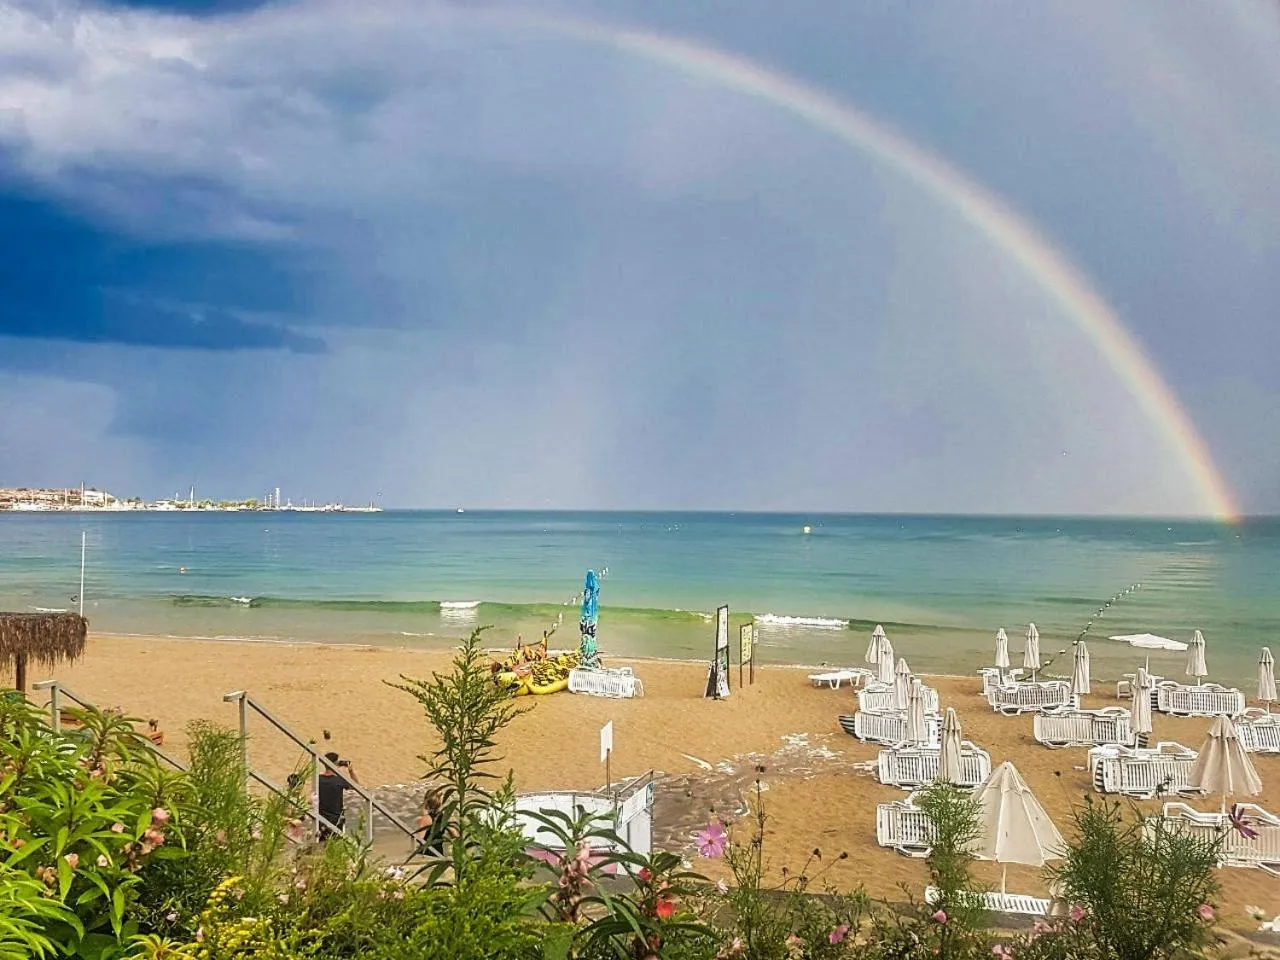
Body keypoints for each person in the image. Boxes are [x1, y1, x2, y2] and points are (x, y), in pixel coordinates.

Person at [317, 751, 359, 841]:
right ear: (335, 763)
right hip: (336, 819)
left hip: (320, 818)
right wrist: (351, 771)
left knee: (322, 842)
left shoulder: (318, 779)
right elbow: (356, 786)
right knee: (336, 842)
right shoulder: (339, 780)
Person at [416, 787, 448, 857]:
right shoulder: (444, 817)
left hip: (427, 854)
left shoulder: (426, 819)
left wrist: (424, 815)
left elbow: (419, 839)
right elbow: (455, 834)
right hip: (439, 852)